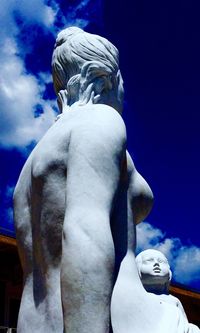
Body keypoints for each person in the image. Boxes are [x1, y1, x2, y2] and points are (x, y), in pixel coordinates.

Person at [14, 27, 153, 333]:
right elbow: (84, 231)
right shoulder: (100, 120)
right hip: (101, 321)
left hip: (36, 322)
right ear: (105, 79)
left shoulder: (35, 158)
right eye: (122, 81)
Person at [135, 249, 200, 332]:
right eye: (149, 260)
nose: (156, 264)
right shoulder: (137, 296)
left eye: (161, 261)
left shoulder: (173, 300)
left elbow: (183, 324)